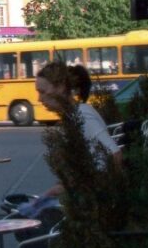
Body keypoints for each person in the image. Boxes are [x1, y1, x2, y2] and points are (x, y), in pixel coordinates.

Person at [29, 62, 122, 204]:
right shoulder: (73, 116)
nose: (39, 99)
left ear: (60, 87)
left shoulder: (82, 115)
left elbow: (115, 156)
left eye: (42, 91)